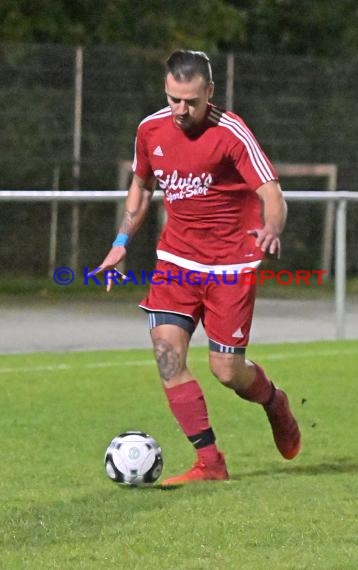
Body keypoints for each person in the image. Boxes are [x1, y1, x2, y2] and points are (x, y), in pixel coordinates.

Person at [93, 49, 301, 485]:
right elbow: (141, 186)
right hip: (176, 261)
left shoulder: (232, 133)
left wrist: (272, 227)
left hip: (230, 266)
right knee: (168, 358)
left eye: (191, 100)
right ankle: (210, 462)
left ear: (209, 91)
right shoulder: (150, 130)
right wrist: (119, 242)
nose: (182, 110)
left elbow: (272, 193)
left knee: (227, 371)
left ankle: (273, 401)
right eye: (173, 99)